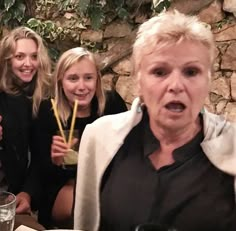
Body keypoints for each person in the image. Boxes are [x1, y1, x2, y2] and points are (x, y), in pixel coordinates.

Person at [74, 10, 236, 231]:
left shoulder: (233, 148)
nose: (176, 85)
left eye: (191, 72)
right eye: (160, 72)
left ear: (208, 81)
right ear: (138, 81)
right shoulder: (99, 137)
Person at [31, 47, 127, 228]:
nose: (82, 86)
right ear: (61, 81)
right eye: (73, 78)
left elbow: (127, 151)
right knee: (84, 206)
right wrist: (56, 161)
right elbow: (39, 170)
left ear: (97, 79)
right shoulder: (48, 112)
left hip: (106, 181)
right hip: (63, 184)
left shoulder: (112, 104)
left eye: (88, 78)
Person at [0, 26, 51, 219]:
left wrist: (28, 192)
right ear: (7, 60)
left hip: (19, 194)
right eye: (19, 56)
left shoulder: (44, 99)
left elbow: (41, 154)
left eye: (34, 56)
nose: (28, 64)